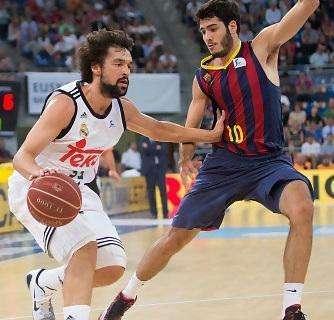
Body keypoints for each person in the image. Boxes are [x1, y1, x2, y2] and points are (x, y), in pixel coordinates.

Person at [103, 1, 318, 319]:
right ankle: (125, 296)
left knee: (303, 207)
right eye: (203, 31)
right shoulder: (204, 76)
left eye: (213, 28)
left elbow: (308, 5)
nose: (207, 36)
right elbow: (193, 120)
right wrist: (185, 155)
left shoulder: (262, 48)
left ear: (233, 27)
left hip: (268, 161)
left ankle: (292, 308)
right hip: (224, 164)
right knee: (177, 236)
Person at [7, 29, 224, 320]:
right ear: (96, 67)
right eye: (119, 64)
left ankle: (42, 283)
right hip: (38, 188)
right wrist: (39, 176)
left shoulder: (121, 109)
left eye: (129, 66)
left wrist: (209, 134)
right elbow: (22, 156)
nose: (127, 72)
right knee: (83, 249)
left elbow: (160, 129)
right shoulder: (66, 103)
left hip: (80, 190)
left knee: (111, 265)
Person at [140, 137, 169, 218]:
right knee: (151, 192)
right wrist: (156, 148)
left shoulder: (160, 138)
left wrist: (150, 148)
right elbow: (144, 150)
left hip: (160, 170)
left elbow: (164, 150)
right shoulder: (144, 140)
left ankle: (165, 213)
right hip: (149, 171)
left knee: (163, 191)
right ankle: (153, 213)